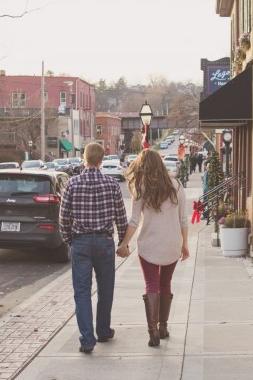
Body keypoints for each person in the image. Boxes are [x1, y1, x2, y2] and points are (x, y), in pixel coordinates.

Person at [59, 142, 128, 353]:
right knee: (105, 289)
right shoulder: (112, 184)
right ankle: (104, 330)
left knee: (82, 292)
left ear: (84, 158)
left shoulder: (72, 184)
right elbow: (121, 218)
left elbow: (63, 219)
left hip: (81, 241)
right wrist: (122, 242)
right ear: (101, 160)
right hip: (105, 242)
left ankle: (87, 340)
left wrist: (71, 241)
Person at [116, 149, 189, 347]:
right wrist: (185, 244)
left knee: (151, 284)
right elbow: (183, 219)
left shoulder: (141, 188)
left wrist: (124, 243)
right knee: (166, 283)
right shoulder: (177, 185)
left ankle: (153, 332)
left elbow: (133, 221)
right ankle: (163, 326)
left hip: (148, 245)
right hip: (172, 243)